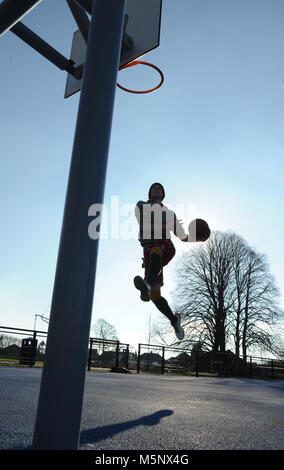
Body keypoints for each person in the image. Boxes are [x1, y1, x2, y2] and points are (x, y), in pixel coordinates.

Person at [133, 182, 190, 340]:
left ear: (163, 194)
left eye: (159, 188)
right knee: (155, 296)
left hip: (165, 246)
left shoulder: (170, 213)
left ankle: (148, 284)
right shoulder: (141, 205)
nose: (156, 188)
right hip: (149, 251)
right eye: (153, 187)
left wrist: (196, 237)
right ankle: (174, 320)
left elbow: (182, 236)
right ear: (149, 193)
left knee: (156, 250)